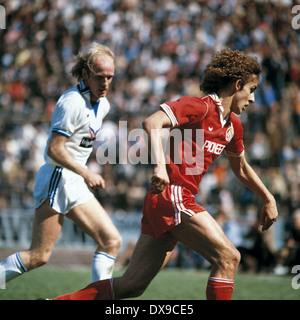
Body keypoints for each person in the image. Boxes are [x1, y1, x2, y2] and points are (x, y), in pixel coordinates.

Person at [51, 48, 278, 300]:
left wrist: (268, 197)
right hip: (173, 196)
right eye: (252, 89)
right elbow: (152, 122)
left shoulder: (233, 126)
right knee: (229, 257)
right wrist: (160, 165)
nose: (253, 99)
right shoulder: (200, 106)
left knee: (131, 286)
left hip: (166, 202)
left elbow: (241, 167)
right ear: (237, 85)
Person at [0, 43, 122, 285]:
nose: (106, 82)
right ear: (85, 74)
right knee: (39, 256)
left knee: (111, 240)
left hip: (73, 180)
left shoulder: (103, 104)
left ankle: (100, 297)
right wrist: (86, 172)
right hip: (58, 177)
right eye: (100, 77)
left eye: (110, 77)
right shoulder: (72, 102)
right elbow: (54, 149)